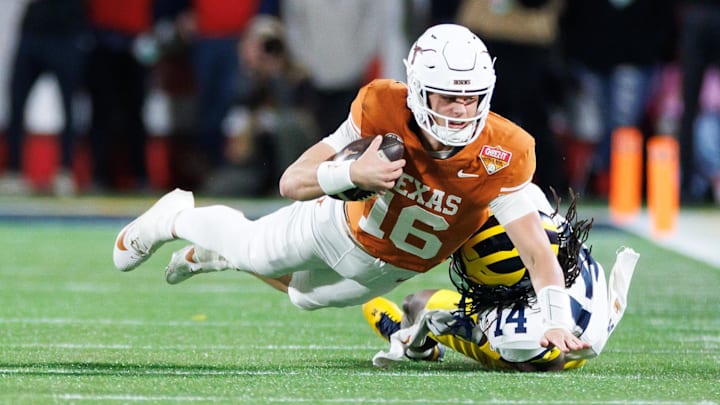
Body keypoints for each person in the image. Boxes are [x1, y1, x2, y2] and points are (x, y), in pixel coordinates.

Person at [113, 24, 587, 353]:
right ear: (419, 90)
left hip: (392, 269)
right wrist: (351, 176)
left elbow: (537, 253)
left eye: (472, 98)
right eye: (449, 97)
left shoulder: (506, 150)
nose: (462, 111)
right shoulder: (382, 106)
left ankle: (214, 256)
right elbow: (290, 181)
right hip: (334, 228)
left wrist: (556, 321)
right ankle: (174, 216)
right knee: (255, 250)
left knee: (302, 297)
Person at [361, 183, 640, 371]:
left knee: (417, 303)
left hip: (539, 348)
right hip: (565, 308)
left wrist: (472, 331)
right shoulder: (549, 233)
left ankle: (419, 347)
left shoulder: (514, 330)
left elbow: (549, 361)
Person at [0, 0, 90, 196]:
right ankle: (14, 171)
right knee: (16, 104)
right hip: (33, 30)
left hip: (65, 32)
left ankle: (65, 171)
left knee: (69, 108)